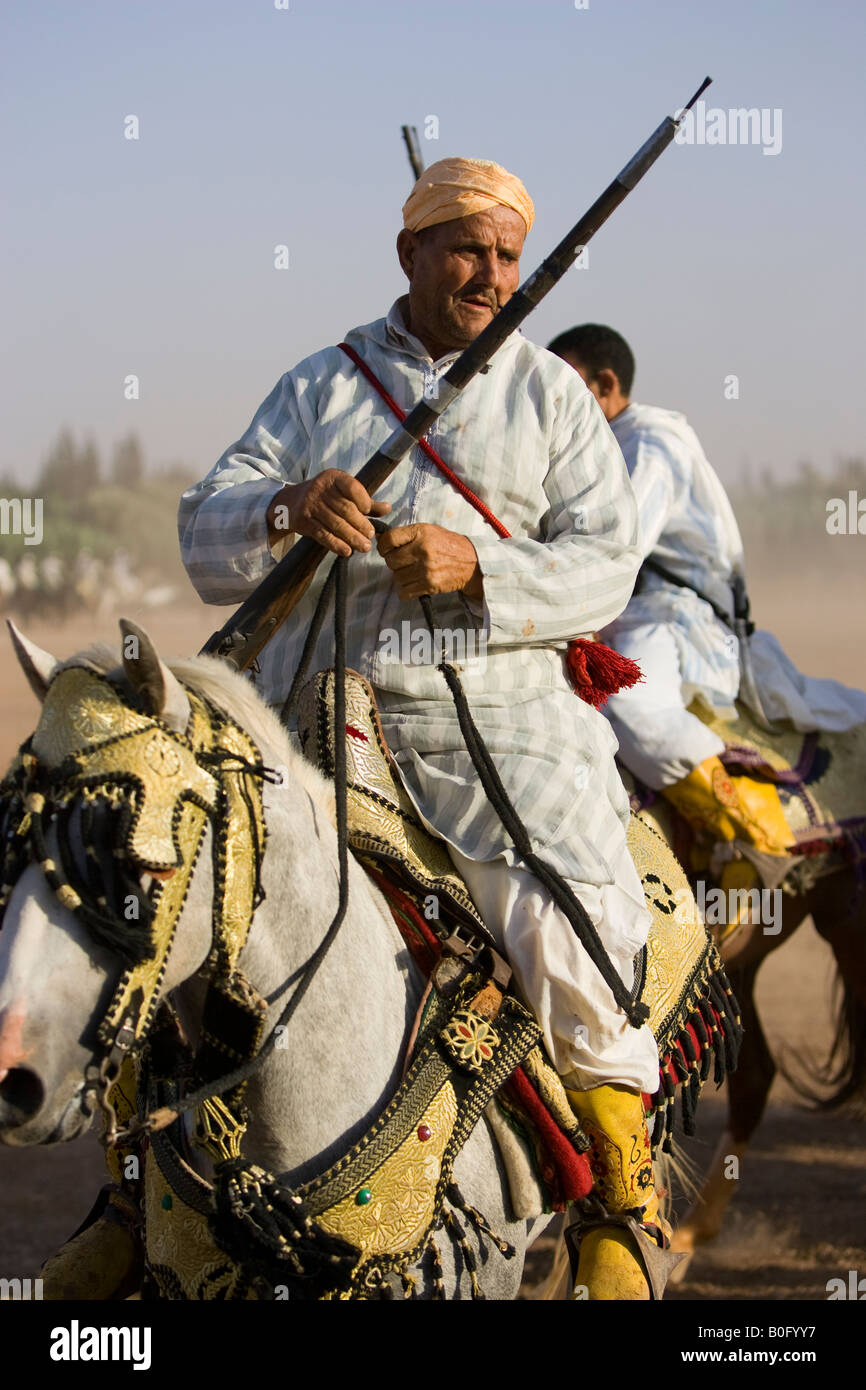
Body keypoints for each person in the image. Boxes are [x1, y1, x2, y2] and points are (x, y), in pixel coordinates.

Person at [179, 162, 670, 1298]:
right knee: (190, 920)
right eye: (464, 249)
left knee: (562, 926)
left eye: (506, 255)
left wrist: (477, 564)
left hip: (499, 729)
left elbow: (606, 564)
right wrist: (287, 508)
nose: (490, 274)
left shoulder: (550, 395)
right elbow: (202, 534)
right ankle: (129, 1194)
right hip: (321, 720)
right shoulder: (319, 385)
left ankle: (614, 1198)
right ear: (408, 255)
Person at [548, 323, 866, 902]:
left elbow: (617, 550)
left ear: (606, 384)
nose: (553, 400)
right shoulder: (596, 448)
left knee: (629, 702)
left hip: (673, 618)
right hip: (627, 608)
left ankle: (753, 838)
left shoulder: (649, 443)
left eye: (566, 385)